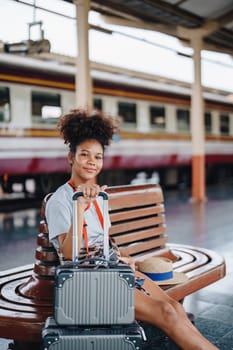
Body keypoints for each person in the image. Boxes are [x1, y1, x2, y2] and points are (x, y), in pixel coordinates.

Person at [46, 109, 219, 350]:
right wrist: (79, 210)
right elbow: (67, 255)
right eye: (84, 155)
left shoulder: (99, 197)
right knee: (166, 314)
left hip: (112, 269)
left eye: (97, 156)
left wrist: (123, 258)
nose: (91, 162)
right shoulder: (60, 200)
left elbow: (102, 241)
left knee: (175, 307)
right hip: (85, 284)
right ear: (70, 157)